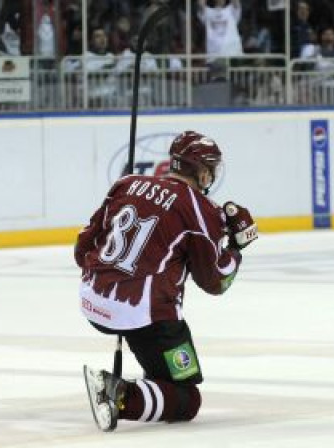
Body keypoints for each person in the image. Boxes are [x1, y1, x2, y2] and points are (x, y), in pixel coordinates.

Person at [78, 131, 258, 431]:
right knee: (187, 398)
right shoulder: (201, 209)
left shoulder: (125, 184)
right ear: (201, 171)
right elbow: (215, 281)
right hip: (143, 314)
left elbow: (81, 250)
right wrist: (236, 248)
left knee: (165, 380)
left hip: (91, 301)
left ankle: (146, 388)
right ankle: (119, 394)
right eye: (210, 168)